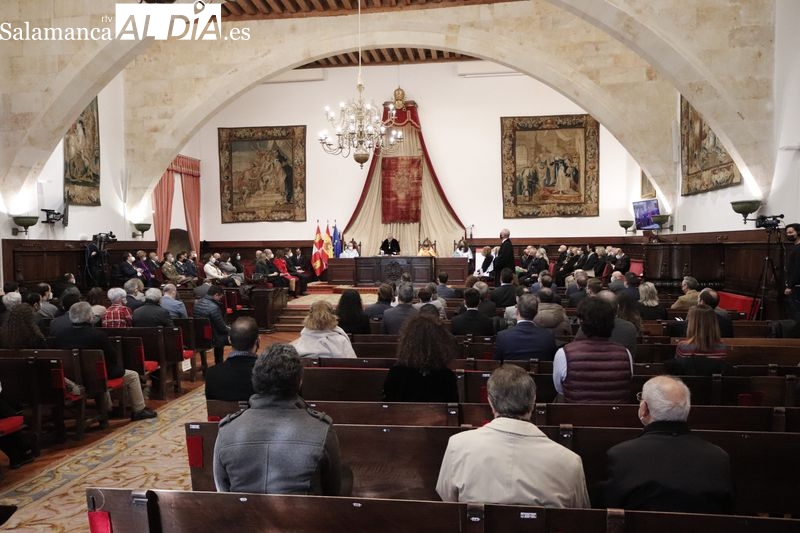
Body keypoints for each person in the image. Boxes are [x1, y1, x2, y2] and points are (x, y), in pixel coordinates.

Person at [436, 365, 590, 507]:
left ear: (490, 401)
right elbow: (577, 516)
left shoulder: (458, 445)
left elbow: (448, 501)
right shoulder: (570, 462)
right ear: (533, 400)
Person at [213, 343, 345, 495]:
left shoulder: (227, 430)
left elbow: (222, 490)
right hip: (304, 517)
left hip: (245, 517)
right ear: (300, 381)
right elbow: (333, 492)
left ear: (255, 379)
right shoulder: (322, 428)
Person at [602, 375, 734, 513]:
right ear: (687, 410)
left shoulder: (621, 456)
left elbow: (608, 509)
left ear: (645, 409)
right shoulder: (719, 458)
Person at [55, 302, 157, 420]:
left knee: (102, 371)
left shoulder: (60, 335)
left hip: (70, 377)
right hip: (98, 376)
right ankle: (139, 410)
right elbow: (111, 356)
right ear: (90, 316)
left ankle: (107, 407)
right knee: (133, 375)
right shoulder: (98, 335)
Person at [554, 297, 633, 403]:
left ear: (582, 323)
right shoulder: (625, 353)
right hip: (615, 417)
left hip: (575, 416)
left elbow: (560, 389)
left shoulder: (564, 353)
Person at [383, 315, 459, 402]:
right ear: (439, 343)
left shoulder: (396, 373)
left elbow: (387, 405)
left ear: (407, 342)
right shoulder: (447, 376)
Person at [205, 317, 259, 402]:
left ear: (229, 339)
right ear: (257, 341)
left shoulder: (211, 374)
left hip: (225, 415)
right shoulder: (267, 375)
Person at [493, 294, 556, 361]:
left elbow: (497, 363)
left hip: (511, 371)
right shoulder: (548, 336)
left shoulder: (502, 336)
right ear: (536, 313)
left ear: (517, 312)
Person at [193, 285, 231, 366]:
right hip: (211, 338)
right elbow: (221, 327)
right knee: (223, 336)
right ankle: (219, 364)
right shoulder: (214, 307)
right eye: (220, 297)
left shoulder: (197, 303)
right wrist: (231, 330)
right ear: (216, 295)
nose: (220, 299)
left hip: (198, 336)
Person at [785, 223, 800, 319]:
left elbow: (798, 269)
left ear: (798, 232)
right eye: (787, 233)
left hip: (797, 287)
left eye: (791, 232)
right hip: (794, 286)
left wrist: (790, 286)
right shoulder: (794, 247)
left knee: (797, 313)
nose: (789, 235)